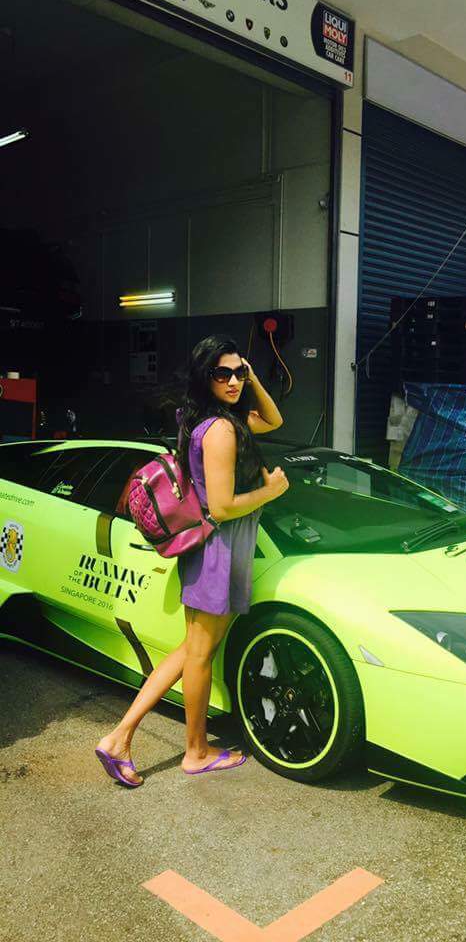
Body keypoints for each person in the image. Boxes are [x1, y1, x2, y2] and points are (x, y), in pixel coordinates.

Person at [95, 334, 289, 786]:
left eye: (240, 372)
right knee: (199, 654)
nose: (234, 381)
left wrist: (252, 376)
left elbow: (274, 419)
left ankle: (120, 737)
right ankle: (194, 752)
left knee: (192, 650)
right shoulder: (220, 430)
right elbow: (221, 506)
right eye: (224, 373)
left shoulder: (215, 418)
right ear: (206, 376)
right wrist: (271, 491)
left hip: (221, 547)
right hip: (219, 547)